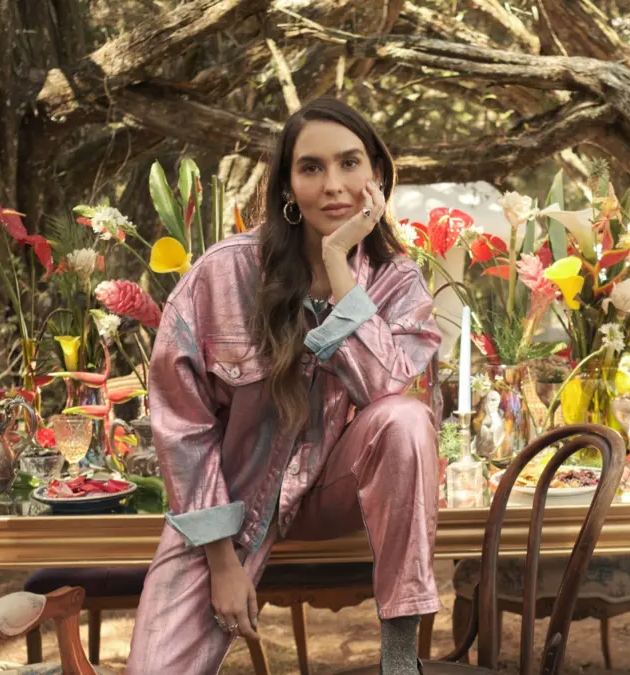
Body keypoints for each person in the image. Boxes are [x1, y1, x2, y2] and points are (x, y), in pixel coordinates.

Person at [126, 97, 442, 674]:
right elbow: (182, 425)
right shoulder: (223, 273)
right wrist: (221, 561)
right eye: (311, 167)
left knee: (406, 417)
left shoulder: (398, 282)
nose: (333, 185)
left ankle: (400, 658)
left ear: (376, 173)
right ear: (288, 187)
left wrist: (339, 265)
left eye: (350, 163)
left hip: (333, 492)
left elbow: (384, 391)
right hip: (232, 506)